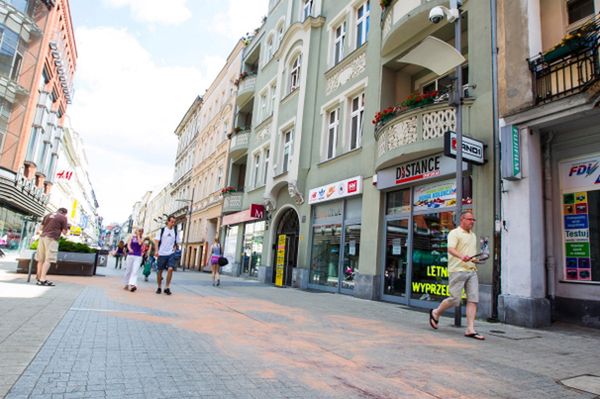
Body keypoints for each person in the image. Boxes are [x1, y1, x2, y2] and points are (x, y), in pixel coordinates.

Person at [429, 210, 484, 340]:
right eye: (470, 219)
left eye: (473, 220)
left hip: (471, 270)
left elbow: (469, 253)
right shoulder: (454, 233)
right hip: (457, 270)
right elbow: (451, 249)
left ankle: (470, 329)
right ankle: (436, 312)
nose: (472, 222)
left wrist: (475, 260)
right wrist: (462, 256)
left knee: (473, 299)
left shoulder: (473, 235)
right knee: (455, 299)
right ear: (462, 220)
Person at [35, 208, 69, 286]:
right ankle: (43, 279)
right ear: (64, 213)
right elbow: (64, 232)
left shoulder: (48, 215)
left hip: (42, 237)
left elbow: (41, 228)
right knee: (48, 259)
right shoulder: (63, 217)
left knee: (40, 259)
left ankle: (39, 278)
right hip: (52, 238)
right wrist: (67, 229)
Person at [154, 216, 181, 295]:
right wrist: (156, 251)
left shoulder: (175, 231)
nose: (173, 223)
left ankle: (167, 287)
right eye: (172, 221)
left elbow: (177, 241)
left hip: (171, 254)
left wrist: (176, 247)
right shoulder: (162, 230)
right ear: (168, 221)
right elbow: (156, 241)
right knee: (160, 271)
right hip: (161, 253)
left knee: (170, 269)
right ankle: (159, 287)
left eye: (174, 222)